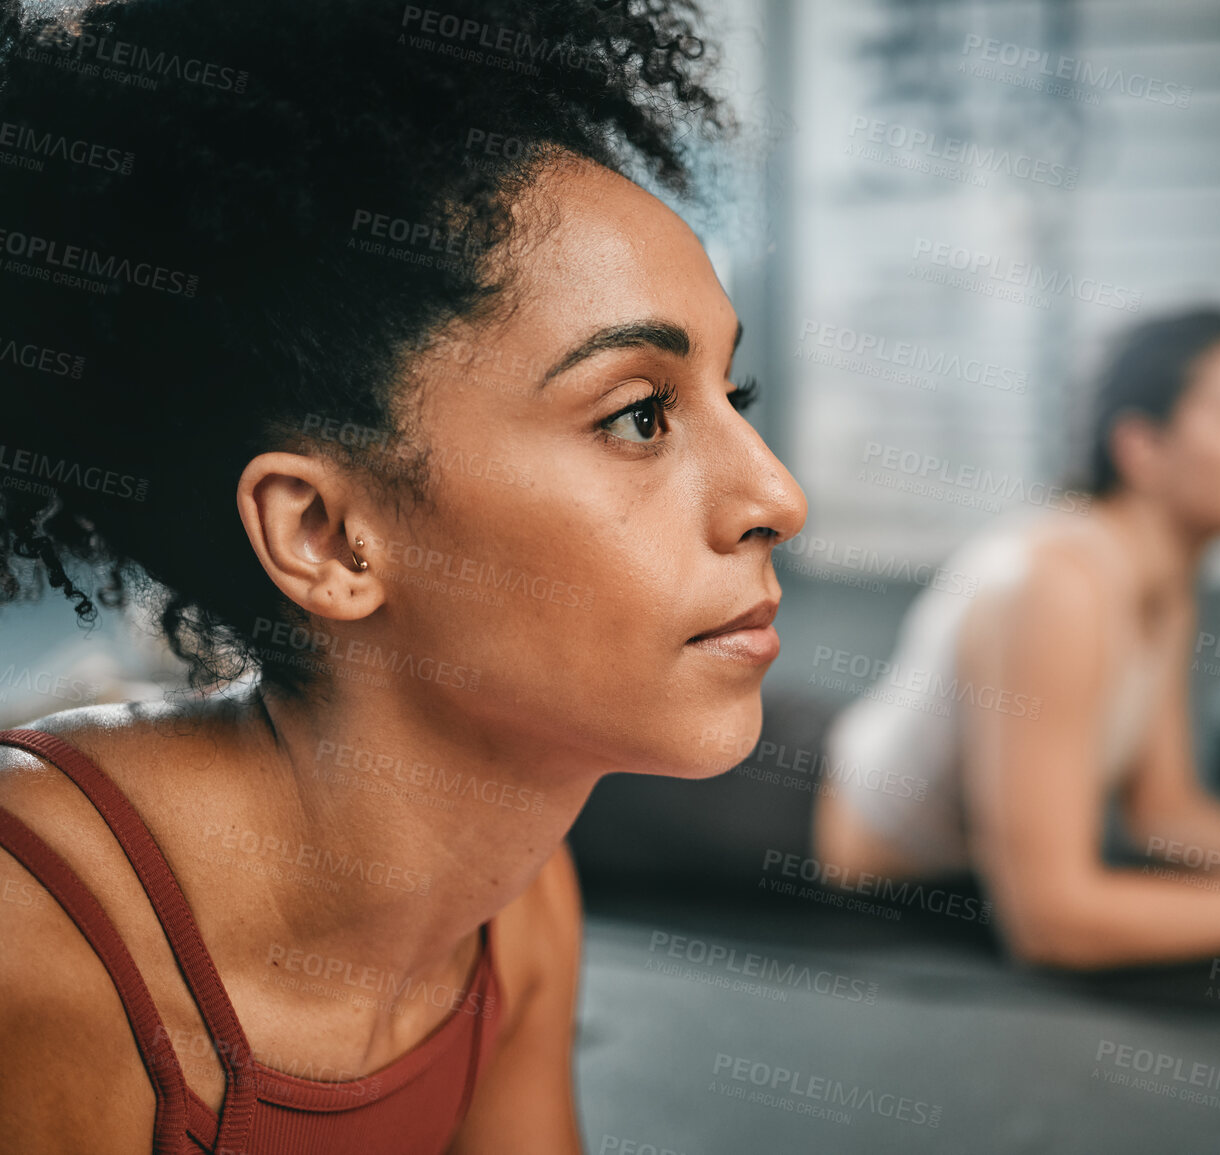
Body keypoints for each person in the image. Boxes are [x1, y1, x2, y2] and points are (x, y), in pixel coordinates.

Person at [0, 1, 805, 1152]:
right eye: (638, 415)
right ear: (326, 537)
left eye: (739, 400)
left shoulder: (517, 905)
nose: (780, 497)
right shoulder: (31, 952)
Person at [812, 308, 1220, 970]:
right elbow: (1048, 924)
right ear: (1141, 447)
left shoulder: (1158, 574)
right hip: (777, 816)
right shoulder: (1055, 587)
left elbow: (1162, 812)